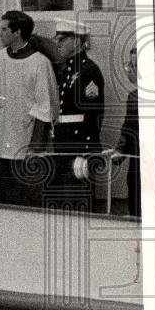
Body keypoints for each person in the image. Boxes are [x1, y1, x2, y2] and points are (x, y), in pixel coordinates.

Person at [0, 10, 58, 207]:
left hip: (28, 146)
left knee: (29, 200)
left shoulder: (40, 63)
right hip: (3, 143)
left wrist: (35, 148)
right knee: (4, 198)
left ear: (18, 33)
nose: (0, 33)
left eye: (4, 29)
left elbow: (45, 107)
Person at [48, 19, 105, 211]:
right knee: (65, 204)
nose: (58, 43)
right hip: (65, 145)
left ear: (77, 40)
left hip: (79, 146)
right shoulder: (68, 70)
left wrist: (85, 153)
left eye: (62, 39)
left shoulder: (89, 70)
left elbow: (93, 114)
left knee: (80, 203)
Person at [104, 47, 141, 217]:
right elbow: (129, 128)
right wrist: (119, 150)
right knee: (136, 207)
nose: (131, 71)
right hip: (137, 167)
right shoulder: (134, 96)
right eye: (131, 65)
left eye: (135, 66)